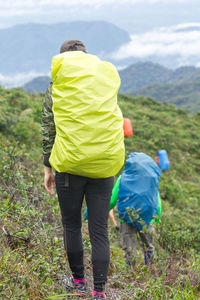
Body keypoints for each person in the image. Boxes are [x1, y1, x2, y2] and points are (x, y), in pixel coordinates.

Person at [41, 40, 124, 299]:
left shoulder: (58, 85)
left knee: (72, 225)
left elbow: (48, 126)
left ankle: (78, 284)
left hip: (70, 166)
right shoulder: (103, 79)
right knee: (99, 229)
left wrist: (48, 166)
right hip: (104, 165)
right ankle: (99, 292)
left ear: (64, 58)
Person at [110, 153, 161, 267]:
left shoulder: (123, 177)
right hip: (148, 219)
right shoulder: (150, 179)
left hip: (126, 218)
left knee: (129, 250)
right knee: (149, 247)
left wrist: (92, 213)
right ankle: (149, 272)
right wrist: (156, 218)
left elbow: (112, 198)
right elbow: (156, 200)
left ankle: (131, 275)